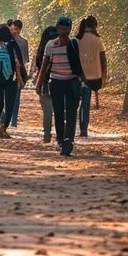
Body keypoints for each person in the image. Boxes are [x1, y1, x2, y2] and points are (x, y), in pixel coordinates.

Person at [35, 15, 83, 157]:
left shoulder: (75, 44)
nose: (64, 31)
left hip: (72, 82)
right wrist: (39, 83)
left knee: (71, 112)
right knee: (58, 112)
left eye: (67, 28)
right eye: (61, 28)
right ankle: (61, 140)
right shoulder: (50, 45)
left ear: (70, 29)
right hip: (55, 82)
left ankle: (68, 140)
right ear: (57, 28)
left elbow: (83, 62)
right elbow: (44, 65)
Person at [0, 24, 26, 138]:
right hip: (11, 79)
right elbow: (19, 62)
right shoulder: (13, 45)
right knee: (10, 105)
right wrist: (22, 78)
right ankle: (3, 129)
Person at [77, 15, 108, 137]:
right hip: (94, 77)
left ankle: (70, 125)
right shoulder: (98, 40)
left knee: (75, 103)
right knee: (85, 105)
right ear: (94, 26)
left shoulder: (77, 39)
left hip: (78, 76)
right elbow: (103, 60)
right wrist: (104, 77)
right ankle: (83, 129)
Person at [34, 24, 58, 144]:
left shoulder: (43, 48)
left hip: (45, 81)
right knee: (59, 109)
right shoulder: (63, 46)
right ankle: (60, 135)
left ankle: (47, 134)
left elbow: (39, 66)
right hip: (60, 80)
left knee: (47, 111)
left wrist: (38, 84)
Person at [6, 18, 29, 128]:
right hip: (7, 70)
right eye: (11, 29)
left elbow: (24, 60)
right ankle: (6, 117)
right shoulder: (5, 41)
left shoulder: (24, 42)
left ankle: (13, 120)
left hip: (18, 71)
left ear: (20, 29)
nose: (13, 31)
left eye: (15, 29)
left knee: (16, 97)